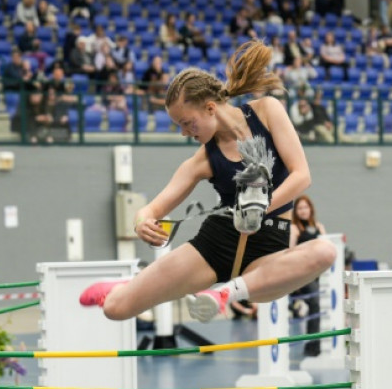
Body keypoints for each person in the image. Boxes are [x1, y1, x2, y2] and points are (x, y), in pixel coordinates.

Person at [79, 41, 336, 322]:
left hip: (268, 251)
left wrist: (260, 206)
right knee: (115, 309)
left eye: (187, 123)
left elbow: (302, 175)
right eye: (180, 126)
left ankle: (225, 294)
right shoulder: (202, 161)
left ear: (211, 108)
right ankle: (123, 289)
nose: (184, 133)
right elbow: (151, 210)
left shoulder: (266, 111)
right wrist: (142, 223)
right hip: (215, 246)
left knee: (325, 251)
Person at [290, 195, 326, 357]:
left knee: (315, 307)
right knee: (315, 304)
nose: (303, 211)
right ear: (296, 212)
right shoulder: (295, 229)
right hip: (302, 274)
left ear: (311, 209)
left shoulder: (319, 227)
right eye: (300, 208)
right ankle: (313, 346)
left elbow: (326, 246)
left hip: (317, 273)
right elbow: (290, 252)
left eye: (305, 207)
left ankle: (313, 346)